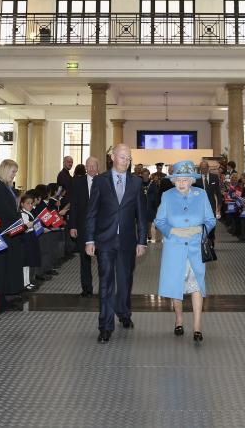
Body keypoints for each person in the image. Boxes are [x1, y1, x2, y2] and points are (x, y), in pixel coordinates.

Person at [85, 144, 149, 344]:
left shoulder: (136, 182)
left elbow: (141, 214)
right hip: (105, 240)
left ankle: (123, 312)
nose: (126, 161)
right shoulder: (101, 181)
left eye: (129, 158)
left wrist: (142, 241)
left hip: (128, 242)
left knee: (124, 281)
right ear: (113, 157)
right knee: (105, 283)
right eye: (123, 157)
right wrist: (89, 239)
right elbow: (92, 212)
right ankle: (105, 326)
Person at [154, 160, 216, 343]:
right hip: (174, 247)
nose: (182, 183)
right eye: (178, 180)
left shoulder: (202, 194)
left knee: (197, 285)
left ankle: (197, 326)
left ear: (191, 180)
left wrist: (200, 230)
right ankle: (179, 319)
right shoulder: (167, 196)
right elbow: (159, 221)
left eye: (185, 180)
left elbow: (211, 220)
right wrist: (173, 231)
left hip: (196, 248)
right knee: (176, 285)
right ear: (173, 181)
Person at [0, 159, 24, 304]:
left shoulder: (5, 185)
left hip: (10, 229)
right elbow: (3, 209)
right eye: (13, 172)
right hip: (2, 230)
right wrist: (18, 219)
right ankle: (2, 296)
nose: (14, 175)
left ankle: (10, 291)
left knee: (10, 263)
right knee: (1, 266)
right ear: (5, 170)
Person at [69, 156, 99, 297]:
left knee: (103, 259)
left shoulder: (104, 181)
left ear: (98, 167)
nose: (91, 168)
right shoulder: (77, 183)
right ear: (86, 167)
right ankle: (87, 289)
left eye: (94, 166)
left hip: (101, 228)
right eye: (89, 166)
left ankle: (104, 287)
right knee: (84, 259)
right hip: (82, 227)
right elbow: (73, 206)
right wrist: (72, 226)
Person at [193, 160, 220, 244]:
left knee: (211, 223)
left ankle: (211, 239)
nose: (203, 170)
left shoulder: (214, 177)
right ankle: (201, 240)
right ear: (200, 169)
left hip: (211, 205)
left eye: (205, 168)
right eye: (202, 168)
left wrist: (219, 206)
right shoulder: (196, 179)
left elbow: (218, 193)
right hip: (198, 206)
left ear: (208, 168)